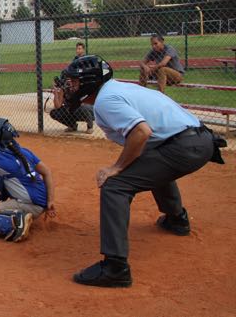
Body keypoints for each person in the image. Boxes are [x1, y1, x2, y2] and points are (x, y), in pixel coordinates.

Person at [62, 55, 218, 288]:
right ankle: (177, 220)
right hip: (196, 140)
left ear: (89, 83)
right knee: (147, 159)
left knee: (115, 185)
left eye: (74, 82)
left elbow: (141, 133)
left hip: (185, 146)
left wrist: (116, 168)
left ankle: (115, 268)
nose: (70, 86)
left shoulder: (106, 100)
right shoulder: (116, 90)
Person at [50, 42, 94, 134]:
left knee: (82, 107)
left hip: (85, 109)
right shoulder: (64, 86)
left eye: (80, 48)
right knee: (55, 112)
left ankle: (90, 126)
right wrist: (56, 93)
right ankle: (72, 125)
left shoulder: (80, 85)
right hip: (72, 109)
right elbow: (57, 106)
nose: (68, 80)